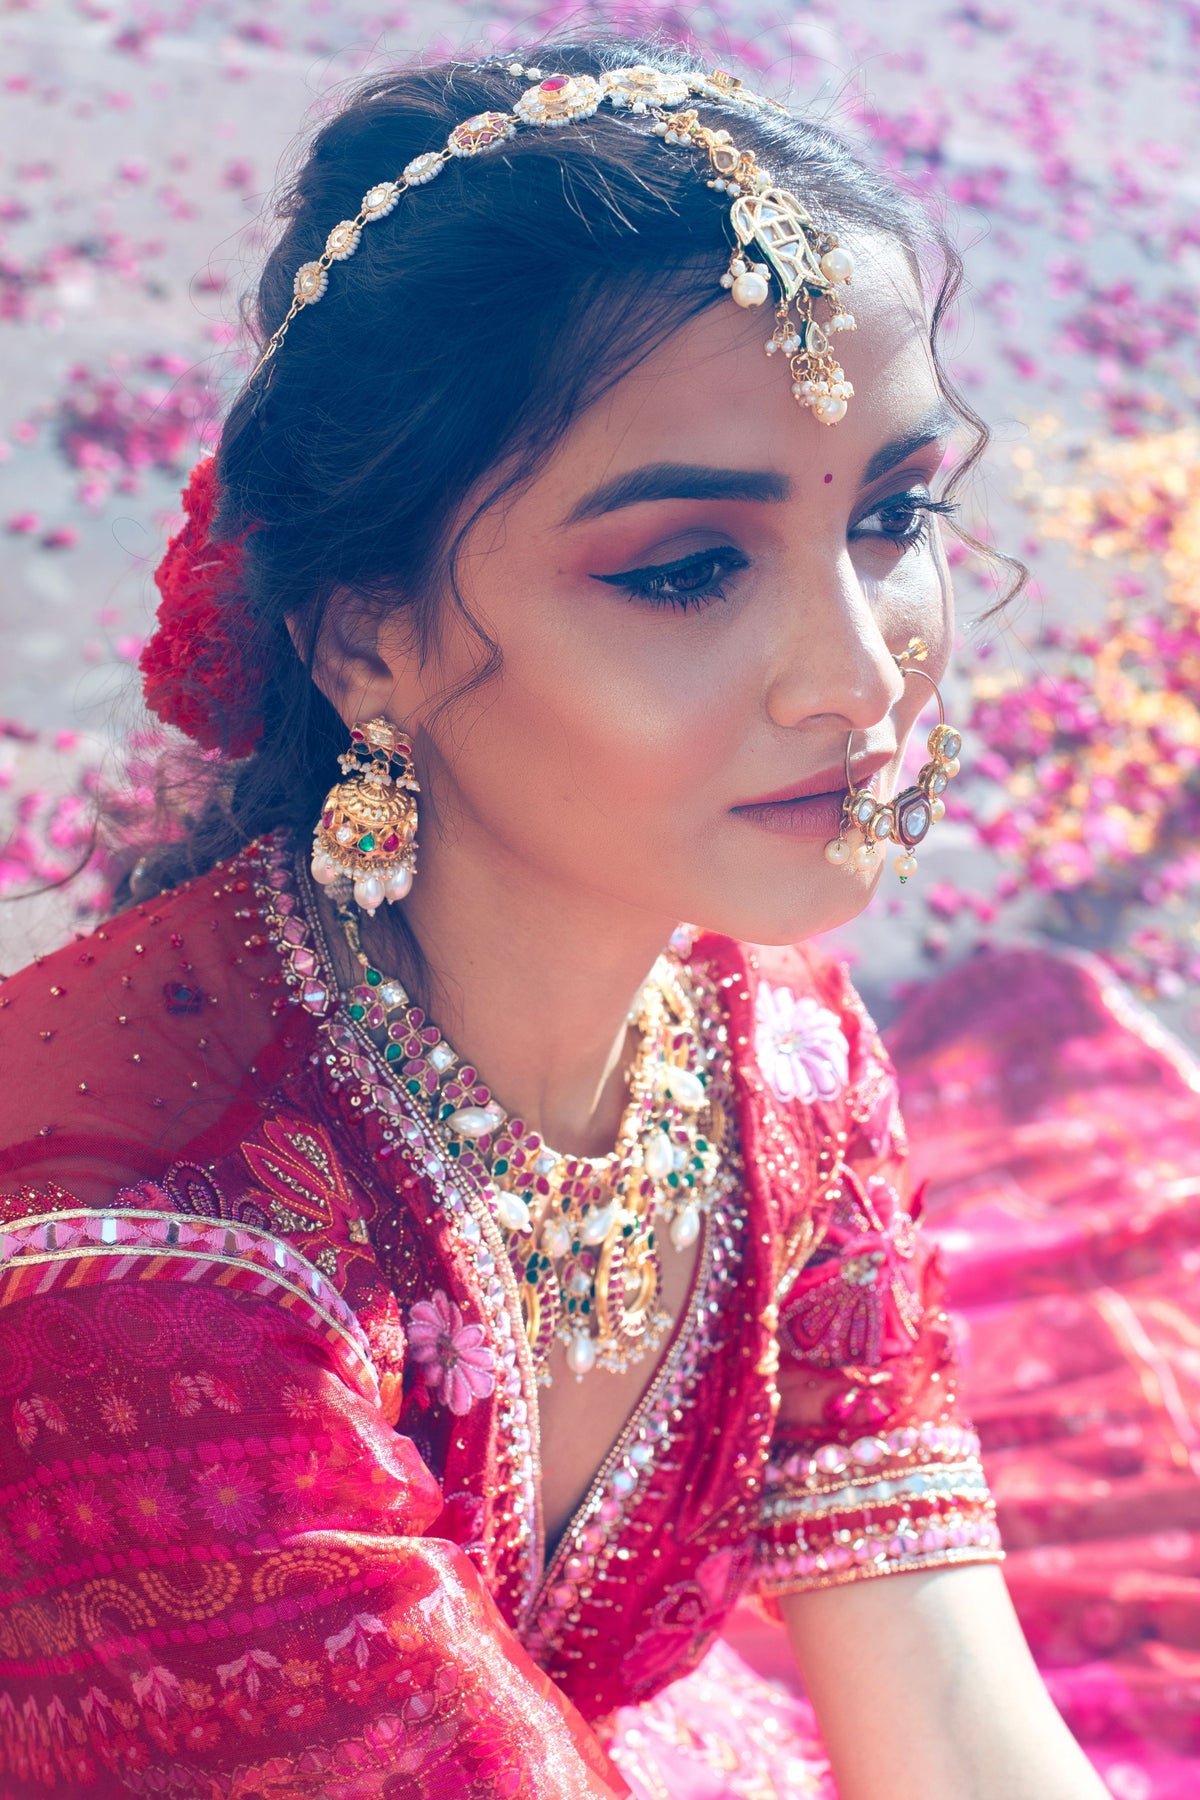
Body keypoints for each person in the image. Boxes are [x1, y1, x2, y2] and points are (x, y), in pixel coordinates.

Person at [0, 35, 1117, 1799]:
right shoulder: (152, 1253)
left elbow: (959, 1724)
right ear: (367, 639)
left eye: (895, 517)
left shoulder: (774, 1044)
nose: (857, 683)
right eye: (685, 568)